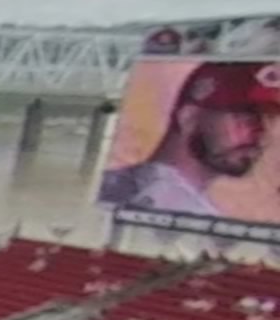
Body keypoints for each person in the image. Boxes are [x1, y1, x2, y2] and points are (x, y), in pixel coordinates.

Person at [98, 56, 279, 217]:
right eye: (247, 119)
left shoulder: (108, 186)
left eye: (268, 121)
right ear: (188, 117)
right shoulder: (171, 208)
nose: (262, 135)